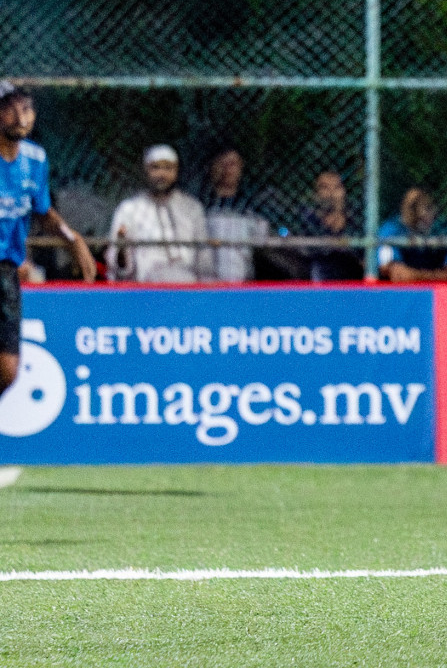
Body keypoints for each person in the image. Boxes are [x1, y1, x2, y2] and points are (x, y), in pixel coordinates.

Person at [0, 83, 96, 485]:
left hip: (5, 272)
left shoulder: (35, 159)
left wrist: (72, 240)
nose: (21, 116)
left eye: (27, 109)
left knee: (8, 371)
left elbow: (42, 211)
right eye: (11, 109)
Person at [106, 145, 212, 283]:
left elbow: (204, 260)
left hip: (187, 291)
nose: (162, 174)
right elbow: (119, 268)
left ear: (176, 171)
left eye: (168, 168)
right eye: (155, 168)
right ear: (146, 171)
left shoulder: (192, 208)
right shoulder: (129, 209)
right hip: (147, 292)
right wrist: (121, 250)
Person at [203, 148, 271, 283]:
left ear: (240, 168)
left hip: (240, 275)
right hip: (205, 278)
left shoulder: (252, 205)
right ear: (212, 167)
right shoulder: (199, 204)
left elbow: (261, 241)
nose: (227, 169)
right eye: (222, 164)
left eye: (232, 164)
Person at [377, 187, 447, 283]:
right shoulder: (391, 230)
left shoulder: (440, 230)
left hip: (436, 289)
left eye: (429, 207)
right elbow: (398, 274)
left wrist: (419, 275)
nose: (421, 213)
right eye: (412, 206)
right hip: (400, 292)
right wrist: (441, 274)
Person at [297, 171, 363, 282]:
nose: (331, 193)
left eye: (337, 187)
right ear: (315, 195)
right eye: (325, 188)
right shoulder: (307, 222)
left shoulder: (357, 222)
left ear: (344, 192)